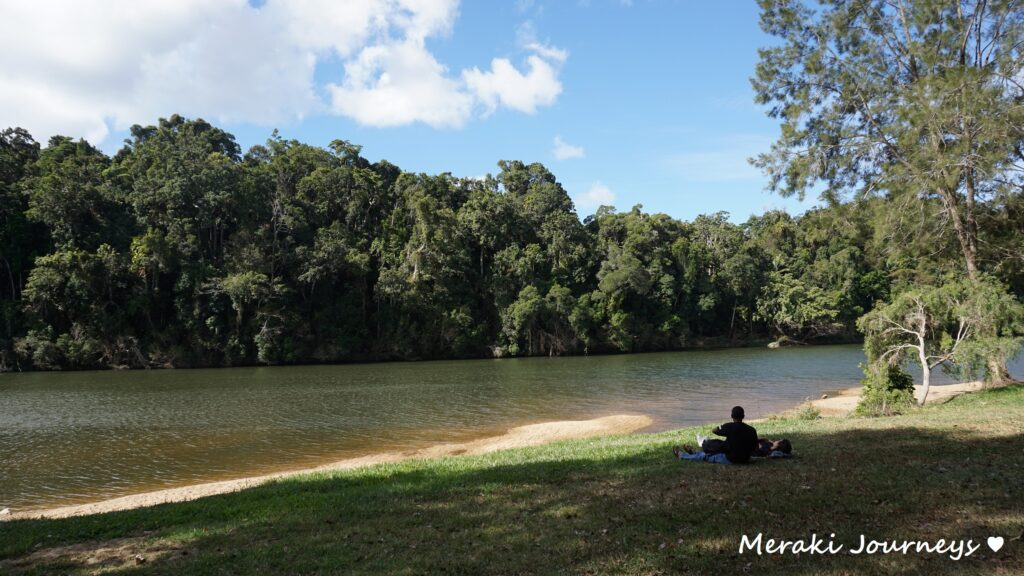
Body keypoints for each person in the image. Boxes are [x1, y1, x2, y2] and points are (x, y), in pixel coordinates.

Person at [672, 406, 758, 464]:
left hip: (731, 459)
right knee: (716, 450)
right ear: (743, 416)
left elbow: (714, 430)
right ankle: (695, 453)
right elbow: (755, 448)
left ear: (732, 416)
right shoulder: (752, 430)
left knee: (707, 457)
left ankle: (682, 456)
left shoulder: (729, 426)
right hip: (746, 459)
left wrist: (722, 427)